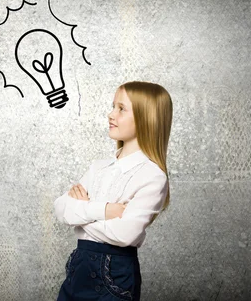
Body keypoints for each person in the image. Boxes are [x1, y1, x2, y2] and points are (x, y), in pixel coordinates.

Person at [54, 81, 173, 301]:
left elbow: (125, 234)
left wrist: (80, 214)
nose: (111, 114)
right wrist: (106, 211)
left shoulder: (152, 175)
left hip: (113, 274)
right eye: (113, 107)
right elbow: (61, 209)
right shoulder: (98, 167)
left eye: (121, 109)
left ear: (146, 117)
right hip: (79, 266)